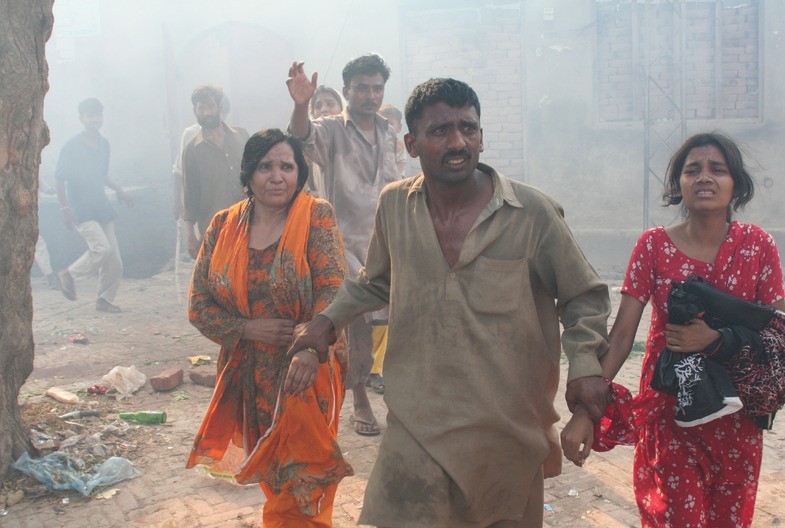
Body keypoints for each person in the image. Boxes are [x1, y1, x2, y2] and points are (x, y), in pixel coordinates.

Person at [288, 78, 612, 527]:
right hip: (416, 422)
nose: (458, 142)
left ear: (481, 136)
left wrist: (586, 369)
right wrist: (325, 323)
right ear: (412, 143)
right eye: (440, 130)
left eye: (468, 128)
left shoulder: (531, 213)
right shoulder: (396, 206)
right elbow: (374, 282)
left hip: (505, 429)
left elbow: (584, 297)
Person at [561, 132, 785, 527]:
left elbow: (778, 338)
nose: (705, 177)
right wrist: (585, 410)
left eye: (718, 169)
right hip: (670, 418)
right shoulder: (652, 246)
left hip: (737, 422)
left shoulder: (758, 245)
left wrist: (717, 341)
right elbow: (622, 336)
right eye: (692, 169)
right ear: (678, 184)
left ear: (736, 183)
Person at [185, 129, 353, 527]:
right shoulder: (223, 225)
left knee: (304, 473)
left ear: (300, 173)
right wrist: (247, 329)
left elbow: (334, 290)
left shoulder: (316, 216)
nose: (277, 176)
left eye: (287, 166)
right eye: (265, 167)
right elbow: (198, 305)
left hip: (306, 370)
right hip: (248, 371)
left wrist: (311, 348)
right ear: (248, 174)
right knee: (273, 469)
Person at [287, 54, 403, 436]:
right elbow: (301, 136)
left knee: (401, 324)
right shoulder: (331, 129)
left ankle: (403, 402)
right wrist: (301, 105)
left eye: (377, 88)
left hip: (389, 238)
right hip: (345, 243)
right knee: (354, 329)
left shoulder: (388, 129)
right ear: (347, 90)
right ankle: (360, 402)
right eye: (362, 88)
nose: (370, 95)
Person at [55, 97, 132, 312]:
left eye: (97, 115)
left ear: (101, 118)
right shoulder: (71, 146)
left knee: (115, 261)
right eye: (89, 115)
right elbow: (59, 178)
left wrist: (120, 191)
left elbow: (103, 175)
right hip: (80, 207)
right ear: (82, 118)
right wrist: (64, 208)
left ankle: (104, 300)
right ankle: (68, 275)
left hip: (101, 206)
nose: (94, 119)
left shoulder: (104, 144)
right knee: (101, 248)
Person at [182, 85, 250, 258]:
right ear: (194, 110)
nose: (206, 113)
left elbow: (257, 174)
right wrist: (190, 234)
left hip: (249, 222)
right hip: (215, 229)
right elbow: (190, 195)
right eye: (201, 108)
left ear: (219, 107)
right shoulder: (192, 150)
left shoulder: (242, 136)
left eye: (210, 107)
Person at [305, 85, 343, 198]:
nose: (324, 109)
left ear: (342, 108)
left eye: (330, 104)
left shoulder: (355, 141)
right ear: (312, 113)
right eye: (318, 106)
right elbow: (301, 193)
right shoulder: (308, 150)